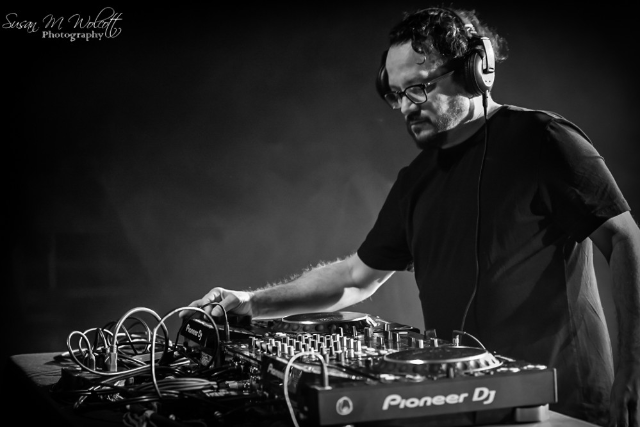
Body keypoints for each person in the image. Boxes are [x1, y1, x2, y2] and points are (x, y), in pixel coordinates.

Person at [183, 6, 640, 426]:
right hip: (461, 406)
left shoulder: (544, 140)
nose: (405, 107)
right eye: (396, 94)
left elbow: (626, 240)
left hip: (562, 406)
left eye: (419, 88)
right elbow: (355, 278)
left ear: (473, 72)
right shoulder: (416, 180)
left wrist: (633, 369)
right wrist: (251, 301)